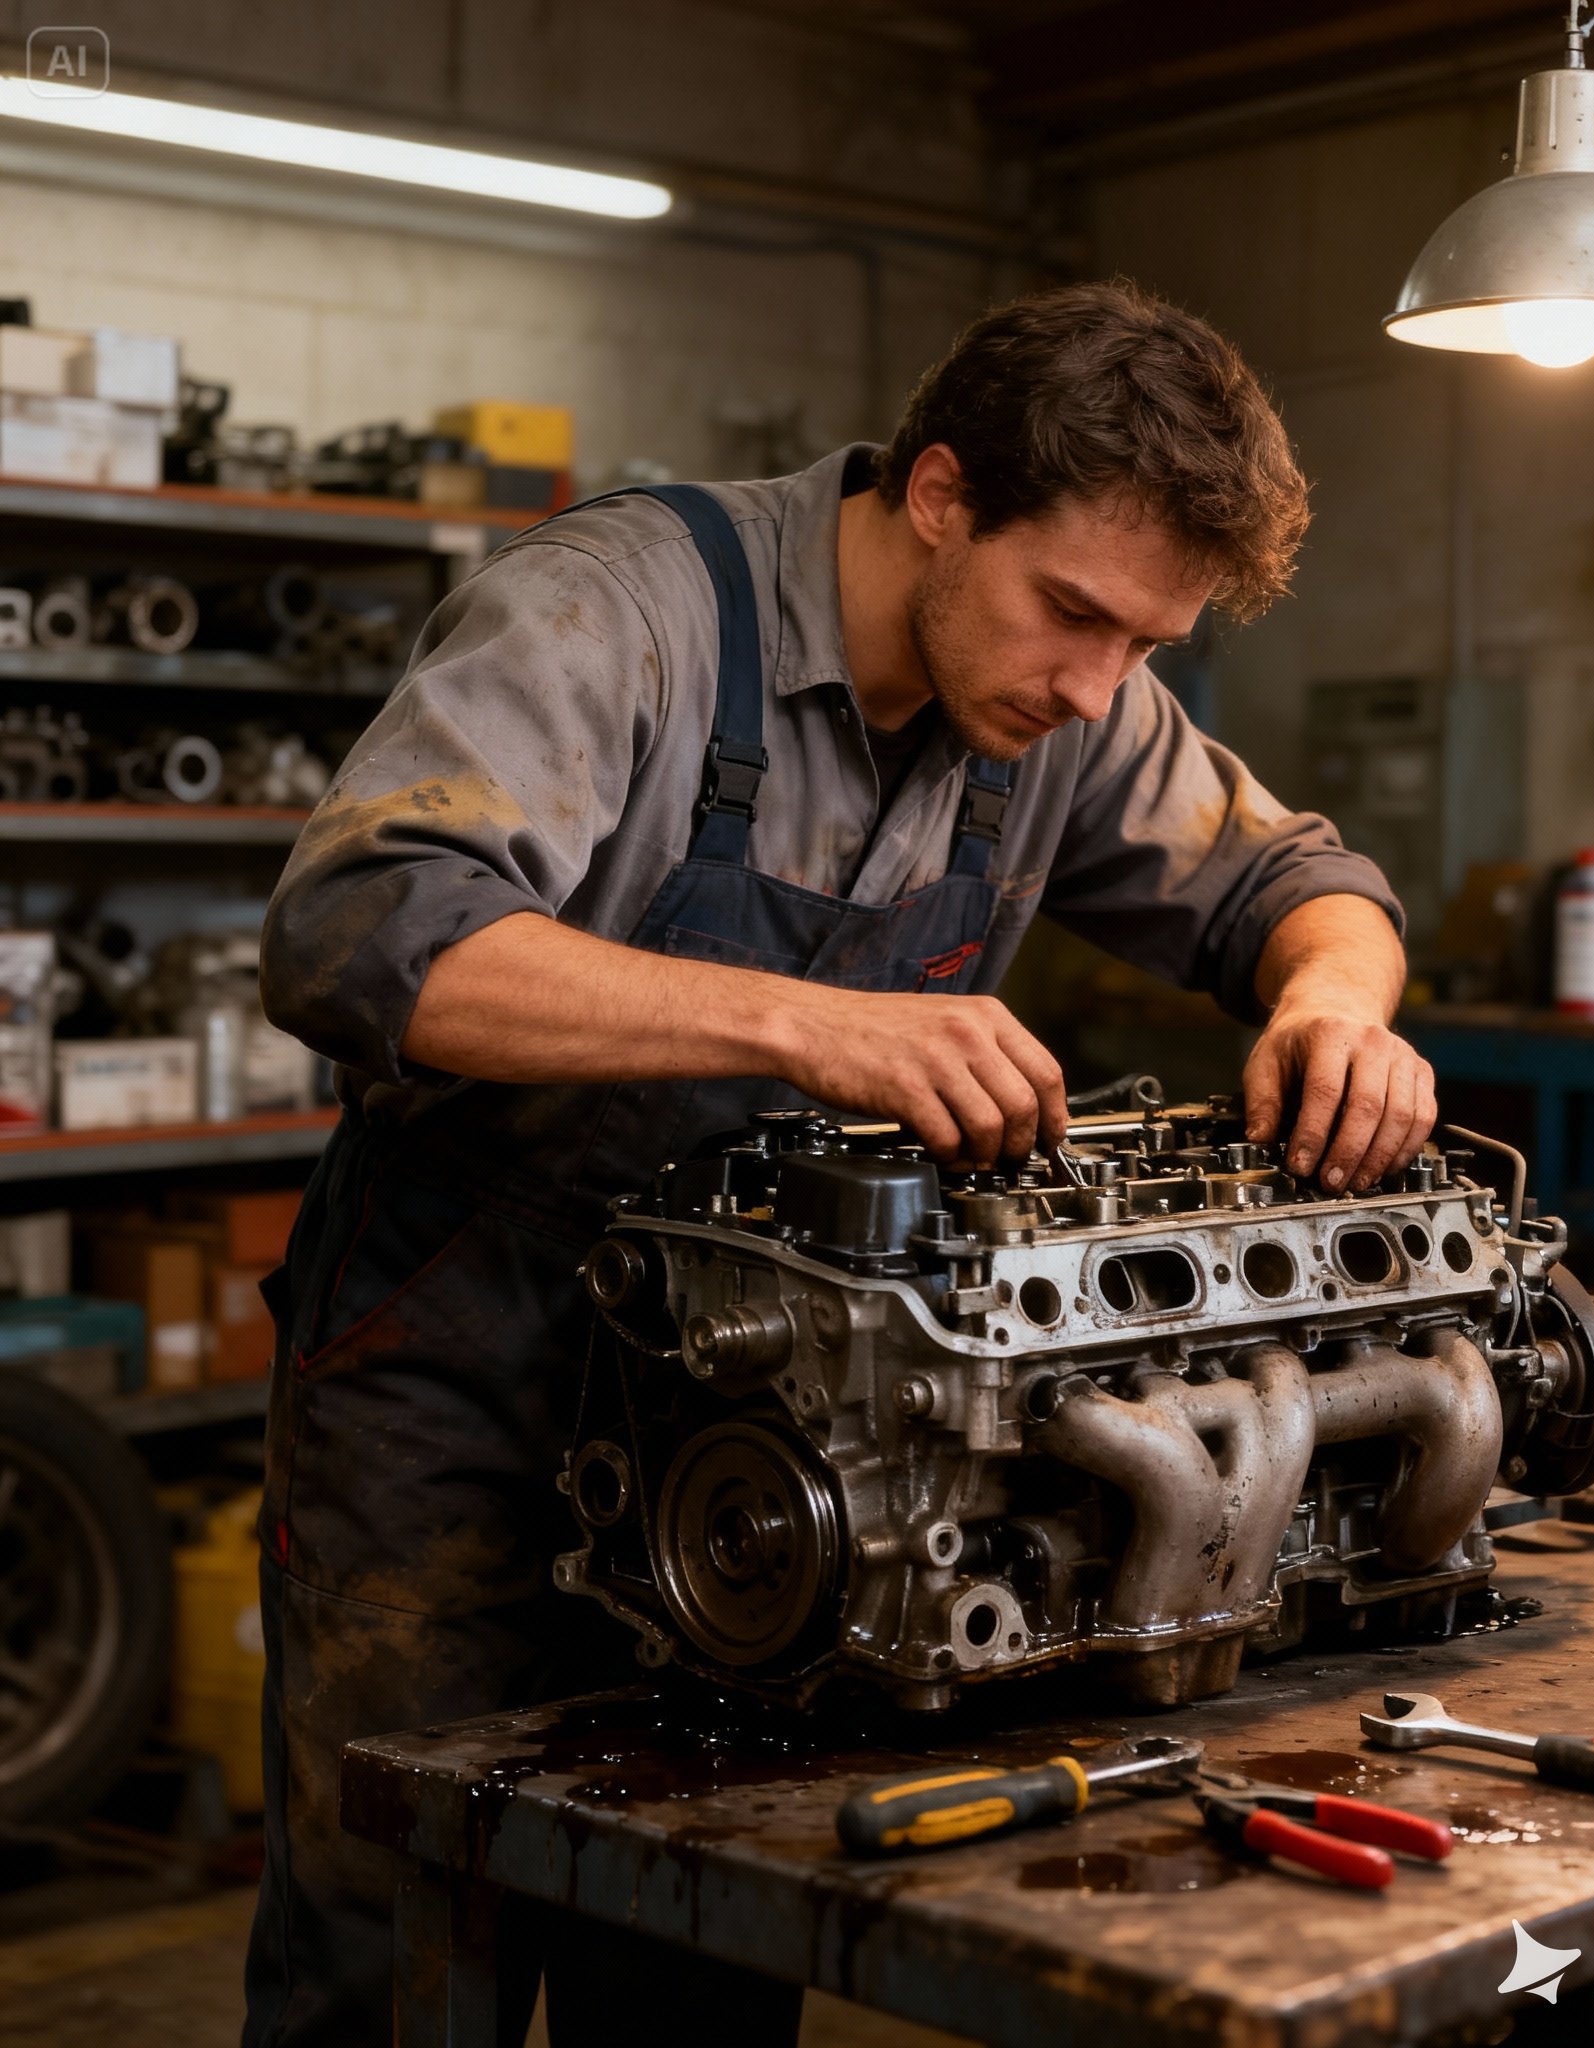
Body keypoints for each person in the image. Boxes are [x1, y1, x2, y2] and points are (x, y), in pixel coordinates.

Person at [247, 277, 1436, 2046]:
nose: (1101, 686)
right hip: (463, 1389)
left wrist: (1342, 1009)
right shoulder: (620, 612)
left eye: (1148, 651)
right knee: (407, 1933)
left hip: (776, 1433)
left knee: (715, 1933)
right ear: (942, 496)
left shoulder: (1068, 700)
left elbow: (1302, 881)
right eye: (1075, 618)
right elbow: (362, 931)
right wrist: (805, 1023)